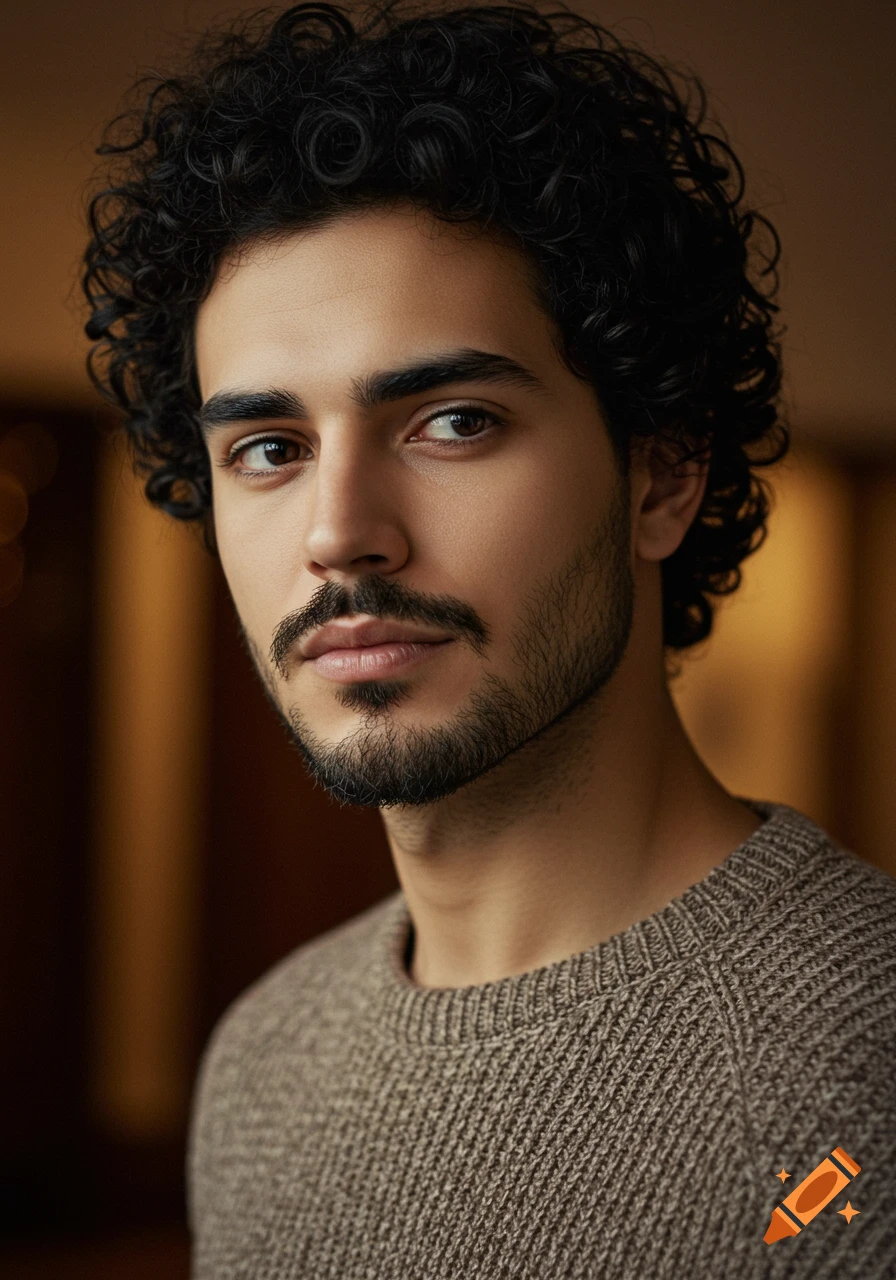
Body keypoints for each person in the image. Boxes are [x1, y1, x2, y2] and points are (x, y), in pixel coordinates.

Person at [82, 2, 896, 1275]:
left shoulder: (857, 1085)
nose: (339, 533)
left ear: (660, 473)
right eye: (269, 450)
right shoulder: (263, 1055)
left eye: (450, 421)